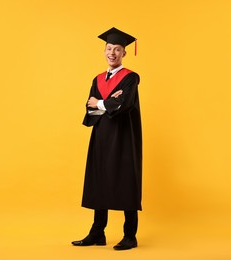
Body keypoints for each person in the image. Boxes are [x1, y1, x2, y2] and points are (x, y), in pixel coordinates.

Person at [72, 27, 142, 251]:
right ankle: (97, 232)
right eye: (109, 48)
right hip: (101, 134)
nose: (113, 53)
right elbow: (89, 108)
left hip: (123, 136)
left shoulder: (131, 78)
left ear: (124, 53)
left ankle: (130, 236)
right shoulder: (98, 79)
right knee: (99, 179)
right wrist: (108, 102)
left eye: (118, 49)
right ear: (104, 51)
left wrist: (102, 103)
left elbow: (124, 105)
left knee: (125, 180)